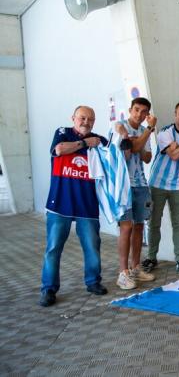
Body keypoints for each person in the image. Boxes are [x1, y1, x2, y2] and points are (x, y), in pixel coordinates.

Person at [40, 106, 108, 307]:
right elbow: (59, 150)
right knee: (53, 248)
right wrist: (85, 143)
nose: (86, 122)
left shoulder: (99, 140)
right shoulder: (63, 133)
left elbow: (117, 153)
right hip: (59, 203)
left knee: (92, 247)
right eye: (82, 118)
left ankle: (93, 282)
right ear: (73, 118)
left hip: (87, 205)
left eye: (90, 119)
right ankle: (48, 289)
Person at [142, 101, 179, 274]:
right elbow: (174, 156)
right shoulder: (166, 132)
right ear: (175, 114)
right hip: (158, 183)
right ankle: (152, 257)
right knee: (154, 223)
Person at [113, 97, 157, 289]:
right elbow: (134, 149)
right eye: (136, 110)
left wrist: (138, 142)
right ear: (130, 109)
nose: (140, 115)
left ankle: (135, 268)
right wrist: (145, 134)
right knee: (126, 227)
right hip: (123, 185)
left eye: (144, 112)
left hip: (140, 183)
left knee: (139, 226)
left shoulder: (142, 131)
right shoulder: (119, 126)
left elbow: (147, 157)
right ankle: (123, 273)